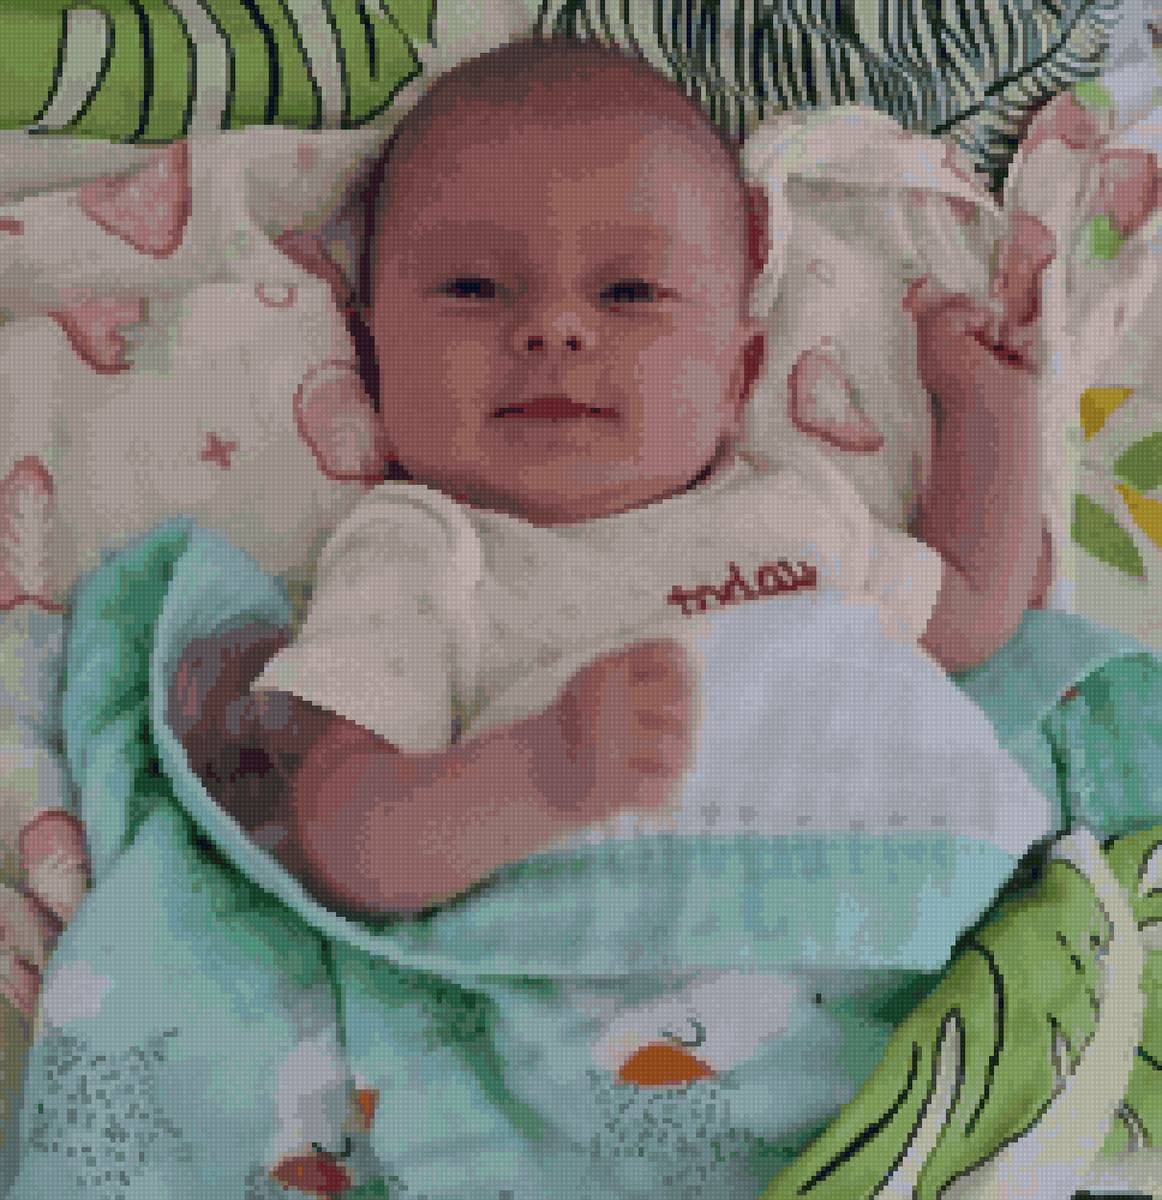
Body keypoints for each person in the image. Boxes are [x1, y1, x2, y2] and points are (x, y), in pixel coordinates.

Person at [169, 34, 1050, 919]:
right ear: (373, 362)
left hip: (883, 910)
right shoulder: (423, 552)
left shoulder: (795, 506)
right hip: (615, 960)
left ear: (736, 378)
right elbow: (346, 840)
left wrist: (990, 409)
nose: (554, 326)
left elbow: (973, 609)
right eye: (473, 287)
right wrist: (538, 778)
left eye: (629, 292)